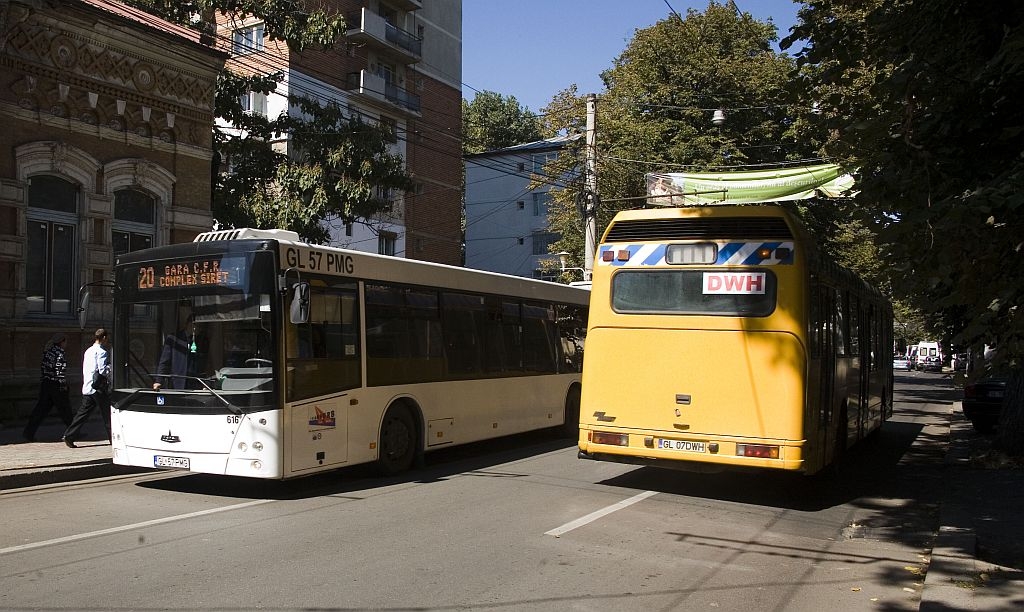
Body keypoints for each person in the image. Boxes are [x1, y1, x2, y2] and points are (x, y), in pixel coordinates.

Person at [62, 328, 111, 448]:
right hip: (98, 388)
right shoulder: (102, 352)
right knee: (108, 414)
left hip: (88, 386)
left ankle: (69, 435)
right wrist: (110, 368)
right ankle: (113, 438)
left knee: (82, 414)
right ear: (104, 338)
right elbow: (102, 370)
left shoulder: (88, 351)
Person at [22, 332, 73, 442]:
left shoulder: (48, 352)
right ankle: (73, 433)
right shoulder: (60, 353)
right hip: (56, 385)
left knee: (40, 410)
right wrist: (63, 385)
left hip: (46, 384)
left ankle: (29, 432)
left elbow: (43, 367)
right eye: (65, 341)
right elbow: (60, 371)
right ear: (61, 341)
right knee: (65, 410)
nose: (66, 344)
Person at [153, 307, 195, 390]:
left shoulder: (202, 340)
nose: (195, 328)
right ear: (187, 324)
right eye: (193, 325)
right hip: (177, 384)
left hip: (194, 385)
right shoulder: (173, 339)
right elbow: (164, 362)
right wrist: (159, 380)